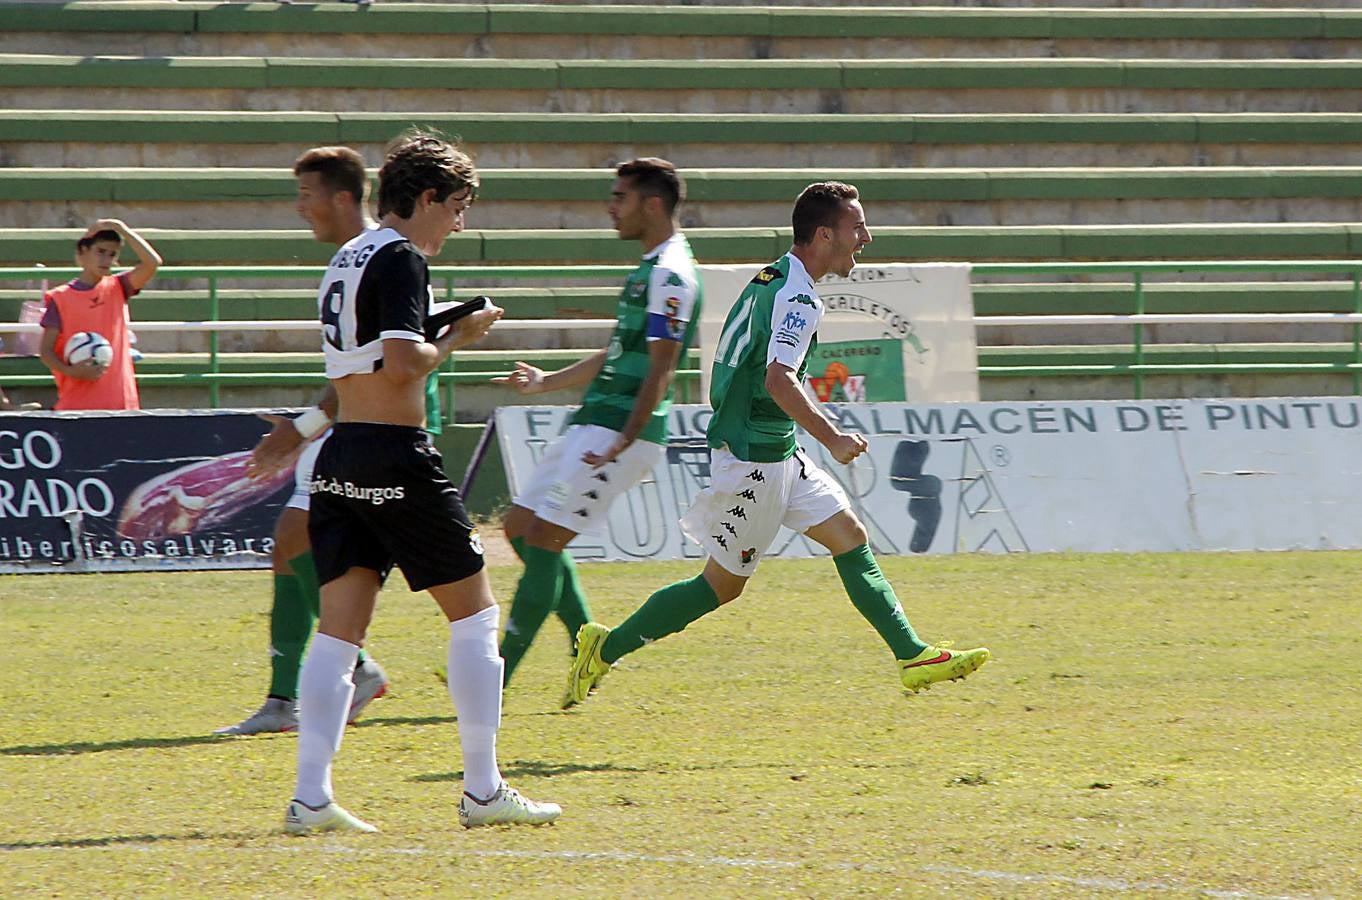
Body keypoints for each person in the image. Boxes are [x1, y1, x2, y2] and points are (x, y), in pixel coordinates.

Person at [564, 181, 991, 710]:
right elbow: (778, 380)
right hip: (754, 459)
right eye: (857, 227)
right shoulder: (797, 296)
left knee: (849, 536)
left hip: (773, 446)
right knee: (720, 587)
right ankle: (605, 648)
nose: (867, 236)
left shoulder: (777, 277)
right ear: (824, 233)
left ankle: (912, 655)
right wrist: (832, 437)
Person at [284, 130, 560, 833]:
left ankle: (310, 797)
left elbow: (368, 354)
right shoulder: (402, 256)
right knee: (475, 614)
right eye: (459, 206)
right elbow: (406, 364)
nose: (460, 222)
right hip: (395, 453)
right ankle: (483, 788)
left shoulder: (350, 255)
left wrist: (444, 321)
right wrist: (461, 339)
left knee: (339, 630)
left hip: (342, 454)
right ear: (429, 196)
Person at [491, 158, 702, 686]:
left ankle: (496, 677)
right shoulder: (650, 268)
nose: (610, 207)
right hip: (596, 422)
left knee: (543, 538)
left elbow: (662, 364)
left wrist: (626, 439)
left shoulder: (671, 273)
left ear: (651, 204)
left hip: (619, 433)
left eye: (619, 197)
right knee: (519, 527)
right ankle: (589, 640)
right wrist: (546, 382)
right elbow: (616, 354)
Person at [217, 146, 391, 736]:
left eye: (307, 195)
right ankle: (283, 699)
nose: (301, 209)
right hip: (344, 422)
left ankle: (353, 671)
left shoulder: (376, 258)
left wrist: (304, 427)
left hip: (375, 427)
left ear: (344, 197)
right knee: (287, 546)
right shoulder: (351, 257)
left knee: (299, 539)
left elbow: (376, 367)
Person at [37, 219, 161, 410]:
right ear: (83, 252)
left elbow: (152, 263)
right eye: (100, 251)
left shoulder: (118, 287)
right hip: (77, 406)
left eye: (112, 254)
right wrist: (71, 371)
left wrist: (124, 230)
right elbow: (46, 351)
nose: (106, 259)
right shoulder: (59, 297)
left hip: (122, 404)